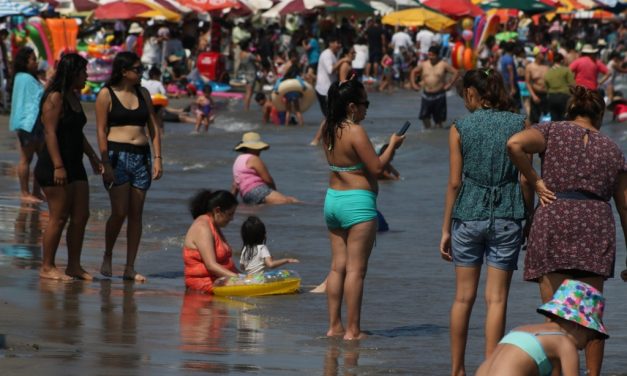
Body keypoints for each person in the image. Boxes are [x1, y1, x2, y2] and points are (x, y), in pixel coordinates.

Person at [507, 86, 627, 376]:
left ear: (571, 111)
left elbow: (514, 144)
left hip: (555, 217)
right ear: (598, 117)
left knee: (554, 313)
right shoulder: (612, 148)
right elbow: (625, 208)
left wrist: (536, 182)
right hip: (595, 225)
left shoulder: (550, 132)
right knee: (590, 314)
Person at [440, 69, 533, 376]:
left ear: (471, 94)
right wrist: (529, 217)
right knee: (496, 300)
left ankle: (457, 369)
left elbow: (454, 182)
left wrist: (444, 229)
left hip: (467, 214)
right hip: (507, 214)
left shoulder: (460, 128)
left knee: (463, 297)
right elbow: (524, 181)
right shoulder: (519, 124)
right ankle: (492, 367)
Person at [322, 79, 404, 340]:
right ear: (351, 107)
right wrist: (393, 145)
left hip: (333, 199)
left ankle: (334, 326)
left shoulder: (328, 128)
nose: (367, 109)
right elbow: (378, 168)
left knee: (337, 268)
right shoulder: (355, 131)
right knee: (356, 270)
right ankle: (353, 331)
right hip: (357, 203)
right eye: (364, 104)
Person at [34, 53, 103, 280]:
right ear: (72, 73)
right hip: (55, 165)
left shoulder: (74, 97)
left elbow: (77, 133)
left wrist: (93, 157)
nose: (86, 76)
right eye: (83, 72)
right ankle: (47, 267)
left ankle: (74, 265)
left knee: (81, 215)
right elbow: (50, 132)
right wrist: (58, 166)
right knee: (59, 216)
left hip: (75, 164)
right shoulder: (55, 98)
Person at [96, 51, 163, 282]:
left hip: (141, 156)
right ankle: (107, 255)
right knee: (120, 212)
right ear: (124, 71)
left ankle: (130, 267)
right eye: (137, 69)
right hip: (116, 155)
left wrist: (157, 158)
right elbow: (101, 130)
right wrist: (104, 162)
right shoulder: (106, 94)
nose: (141, 72)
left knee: (136, 213)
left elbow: (153, 127)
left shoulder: (143, 93)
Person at [476, 279, 609, 376]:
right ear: (577, 325)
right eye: (589, 337)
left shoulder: (521, 329)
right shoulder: (565, 344)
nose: (585, 346)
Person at [183, 190, 239, 293]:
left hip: (219, 281)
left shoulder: (214, 225)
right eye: (230, 214)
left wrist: (244, 276)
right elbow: (211, 265)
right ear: (217, 210)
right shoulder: (202, 227)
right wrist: (240, 279)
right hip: (203, 285)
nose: (232, 219)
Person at [9, 47, 45, 203]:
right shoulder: (25, 78)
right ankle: (25, 192)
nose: (36, 63)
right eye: (33, 59)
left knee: (41, 158)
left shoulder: (23, 77)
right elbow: (39, 95)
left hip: (33, 122)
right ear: (25, 62)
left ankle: (36, 191)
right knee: (26, 159)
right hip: (28, 123)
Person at [231, 132, 299, 205]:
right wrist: (276, 192)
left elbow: (235, 185)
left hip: (246, 195)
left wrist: (231, 200)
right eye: (258, 148)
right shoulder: (253, 159)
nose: (260, 151)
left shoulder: (238, 160)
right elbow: (268, 179)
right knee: (289, 201)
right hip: (258, 190)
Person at [410, 46, 460, 129]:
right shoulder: (424, 64)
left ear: (437, 55)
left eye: (432, 55)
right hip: (426, 95)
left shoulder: (443, 64)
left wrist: (450, 84)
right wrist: (413, 84)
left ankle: (437, 133)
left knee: (439, 120)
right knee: (424, 117)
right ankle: (428, 133)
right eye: (429, 55)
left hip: (439, 95)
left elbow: (456, 72)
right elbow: (413, 72)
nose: (430, 57)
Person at [311, 36, 344, 146]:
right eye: (337, 42)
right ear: (330, 43)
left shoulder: (333, 54)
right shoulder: (327, 54)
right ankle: (316, 140)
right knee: (330, 117)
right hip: (324, 90)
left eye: (340, 43)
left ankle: (326, 141)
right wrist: (343, 60)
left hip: (329, 90)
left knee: (332, 117)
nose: (339, 45)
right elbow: (330, 70)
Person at [544, 52, 574, 122]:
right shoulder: (566, 70)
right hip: (564, 97)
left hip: (552, 97)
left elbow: (546, 87)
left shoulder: (548, 72)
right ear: (562, 60)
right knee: (565, 119)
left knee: (554, 119)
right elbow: (573, 85)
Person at [525, 46, 550, 124]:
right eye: (542, 53)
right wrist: (533, 96)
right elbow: (527, 83)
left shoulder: (547, 65)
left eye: (545, 52)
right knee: (534, 120)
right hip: (536, 94)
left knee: (548, 119)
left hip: (547, 95)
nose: (545, 54)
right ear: (537, 54)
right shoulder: (529, 67)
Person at [142, 66, 167, 136]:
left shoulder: (145, 83)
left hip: (148, 102)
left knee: (148, 120)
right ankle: (162, 134)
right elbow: (164, 93)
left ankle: (147, 134)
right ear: (156, 75)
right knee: (160, 120)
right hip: (157, 103)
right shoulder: (158, 83)